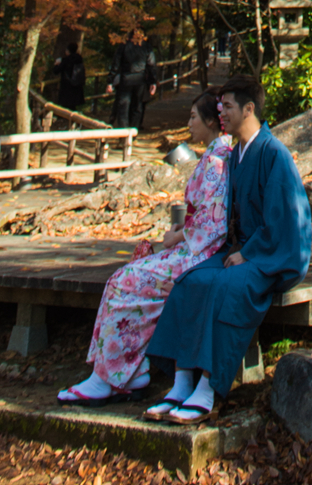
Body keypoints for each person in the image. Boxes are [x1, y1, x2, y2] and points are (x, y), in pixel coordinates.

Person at [145, 74, 311, 424]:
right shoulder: (237, 154)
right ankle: (181, 380)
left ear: (249, 109)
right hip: (243, 249)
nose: (222, 111)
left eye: (228, 106)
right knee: (191, 281)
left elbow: (284, 222)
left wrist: (249, 253)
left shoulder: (274, 153)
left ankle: (208, 385)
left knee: (225, 286)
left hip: (274, 255)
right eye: (221, 106)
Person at [57, 92, 230, 405]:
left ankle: (111, 376)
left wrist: (178, 237)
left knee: (125, 281)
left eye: (193, 117)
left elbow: (213, 226)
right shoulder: (212, 158)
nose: (188, 124)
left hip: (197, 256)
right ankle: (123, 372)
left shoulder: (217, 162)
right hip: (190, 247)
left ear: (209, 121)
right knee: (122, 278)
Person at [107, 30, 158, 131]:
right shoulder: (146, 47)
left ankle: (123, 135)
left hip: (126, 78)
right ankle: (133, 132)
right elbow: (151, 65)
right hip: (140, 79)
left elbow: (115, 64)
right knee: (137, 107)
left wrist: (110, 81)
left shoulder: (123, 46)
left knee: (123, 107)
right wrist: (153, 81)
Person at [54, 40, 86, 113]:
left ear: (68, 51)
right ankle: (74, 121)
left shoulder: (66, 61)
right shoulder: (79, 60)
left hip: (67, 86)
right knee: (72, 106)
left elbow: (56, 71)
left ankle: (71, 121)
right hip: (77, 86)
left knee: (67, 106)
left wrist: (56, 64)